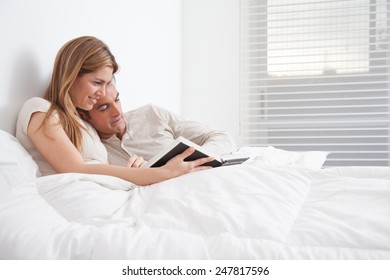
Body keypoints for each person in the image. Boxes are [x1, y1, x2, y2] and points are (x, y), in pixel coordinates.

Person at [16, 36, 214, 186]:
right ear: (71, 76)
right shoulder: (40, 110)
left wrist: (135, 169)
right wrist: (163, 173)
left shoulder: (84, 125)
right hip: (72, 197)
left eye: (107, 84)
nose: (101, 93)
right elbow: (77, 169)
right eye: (97, 83)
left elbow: (97, 169)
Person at [77, 82, 236, 167]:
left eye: (117, 100)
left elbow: (221, 137)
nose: (117, 111)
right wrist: (138, 176)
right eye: (104, 108)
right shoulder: (94, 149)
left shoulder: (151, 114)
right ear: (84, 115)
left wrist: (193, 160)